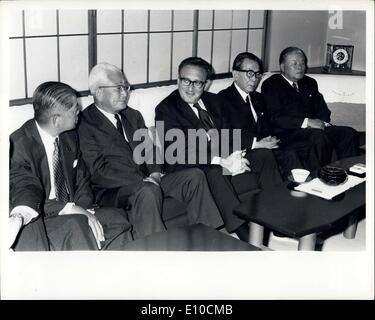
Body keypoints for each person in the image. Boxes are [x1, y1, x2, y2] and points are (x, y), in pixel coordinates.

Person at [77, 62, 224, 240]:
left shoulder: (133, 116)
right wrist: (142, 180)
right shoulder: (84, 124)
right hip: (112, 190)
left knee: (194, 176)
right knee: (147, 190)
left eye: (126, 87)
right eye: (119, 88)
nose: (125, 93)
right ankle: (157, 252)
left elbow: (150, 151)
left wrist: (155, 173)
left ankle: (207, 239)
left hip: (148, 179)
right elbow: (98, 171)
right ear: (98, 92)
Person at [155, 57, 283, 242]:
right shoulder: (166, 109)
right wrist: (223, 161)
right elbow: (177, 152)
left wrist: (235, 156)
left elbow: (230, 133)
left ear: (206, 84)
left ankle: (276, 218)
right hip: (190, 166)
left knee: (264, 155)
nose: (190, 88)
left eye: (197, 83)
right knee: (215, 171)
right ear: (178, 79)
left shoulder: (214, 101)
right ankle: (243, 233)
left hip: (222, 157)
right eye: (186, 81)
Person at [9, 81, 132, 251]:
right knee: (77, 225)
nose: (79, 112)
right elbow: (25, 198)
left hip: (73, 210)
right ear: (56, 119)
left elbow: (82, 181)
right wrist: (73, 210)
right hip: (42, 218)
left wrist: (85, 209)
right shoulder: (18, 146)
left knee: (117, 218)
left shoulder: (69, 137)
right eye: (74, 110)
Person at [261, 47, 359, 172]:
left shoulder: (310, 82)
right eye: (294, 63)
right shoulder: (272, 84)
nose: (300, 67)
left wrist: (322, 123)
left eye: (302, 63)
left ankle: (348, 175)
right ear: (282, 66)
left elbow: (323, 110)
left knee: (348, 133)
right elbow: (275, 117)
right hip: (287, 134)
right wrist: (307, 122)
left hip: (315, 130)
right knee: (317, 136)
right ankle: (320, 178)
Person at [218, 52, 302, 179]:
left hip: (262, 147)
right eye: (249, 73)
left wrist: (271, 139)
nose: (254, 79)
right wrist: (257, 144)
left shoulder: (258, 98)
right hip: (240, 152)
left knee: (292, 148)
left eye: (257, 74)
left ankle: (298, 189)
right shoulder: (223, 99)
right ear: (235, 74)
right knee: (281, 155)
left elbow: (267, 125)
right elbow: (225, 134)